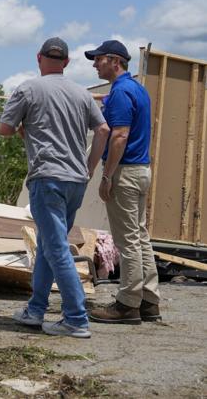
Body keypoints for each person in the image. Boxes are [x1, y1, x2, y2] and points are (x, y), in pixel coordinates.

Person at [0, 37, 110, 338]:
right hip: (75, 181)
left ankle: (76, 319)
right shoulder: (82, 94)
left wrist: (18, 125)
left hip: (47, 178)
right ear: (67, 62)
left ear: (39, 58)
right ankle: (36, 310)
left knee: (57, 248)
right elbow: (103, 129)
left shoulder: (28, 89)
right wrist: (90, 168)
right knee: (49, 246)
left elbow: (5, 129)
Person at [87, 40, 161, 324]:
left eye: (99, 59)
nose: (95, 64)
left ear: (114, 61)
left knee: (127, 240)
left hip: (125, 172)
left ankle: (128, 304)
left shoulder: (120, 92)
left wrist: (107, 176)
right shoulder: (136, 89)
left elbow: (119, 135)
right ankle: (149, 300)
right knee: (139, 236)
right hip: (141, 170)